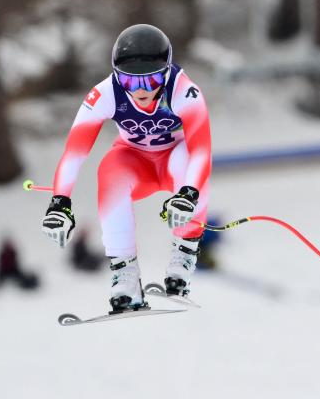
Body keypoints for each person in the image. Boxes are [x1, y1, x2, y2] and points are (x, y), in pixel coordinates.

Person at [42, 24, 212, 311]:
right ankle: (125, 275)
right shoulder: (105, 93)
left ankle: (184, 255)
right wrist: (60, 202)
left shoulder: (184, 91)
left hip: (175, 161)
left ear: (167, 72)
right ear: (118, 77)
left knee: (186, 159)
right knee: (109, 169)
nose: (142, 91)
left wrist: (189, 193)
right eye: (131, 83)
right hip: (136, 163)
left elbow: (202, 151)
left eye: (152, 80)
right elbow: (75, 152)